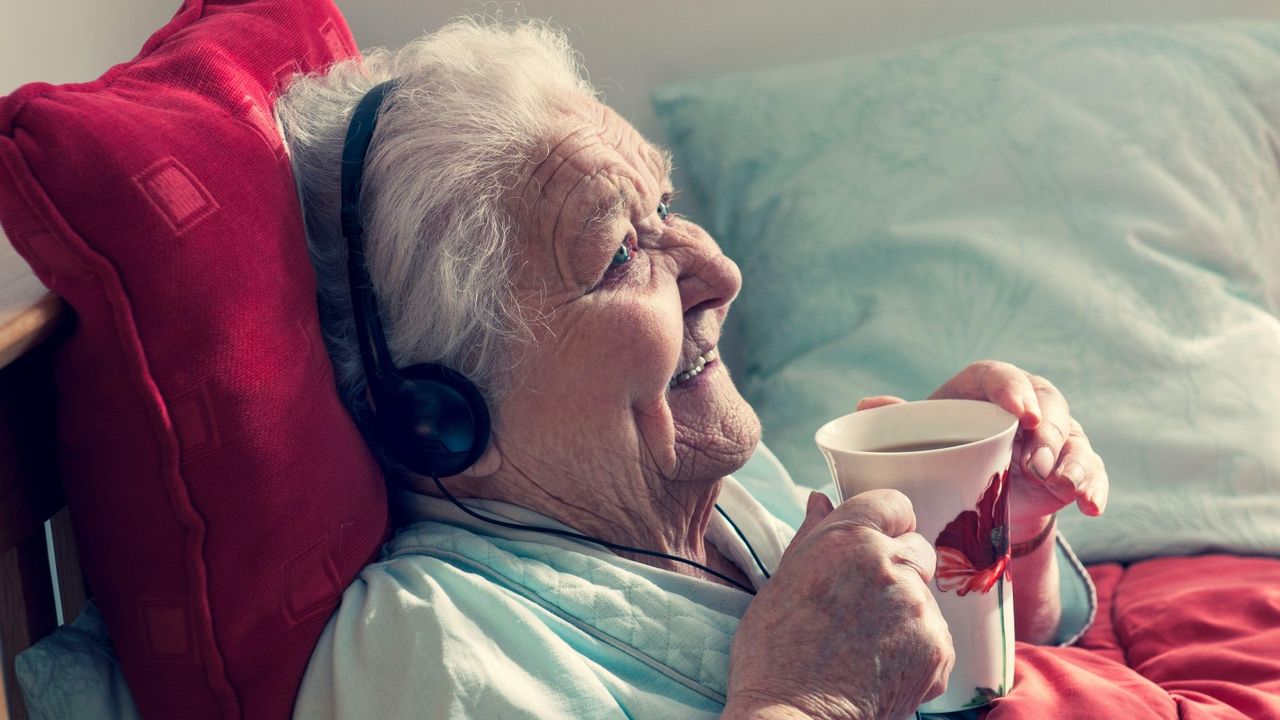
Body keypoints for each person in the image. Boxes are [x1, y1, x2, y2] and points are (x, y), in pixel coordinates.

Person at [275, 18, 1107, 720]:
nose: (718, 272)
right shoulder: (428, 656)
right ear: (441, 414)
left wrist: (996, 532)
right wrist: (810, 701)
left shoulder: (718, 497)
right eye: (619, 254)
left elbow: (974, 669)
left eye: (665, 208)